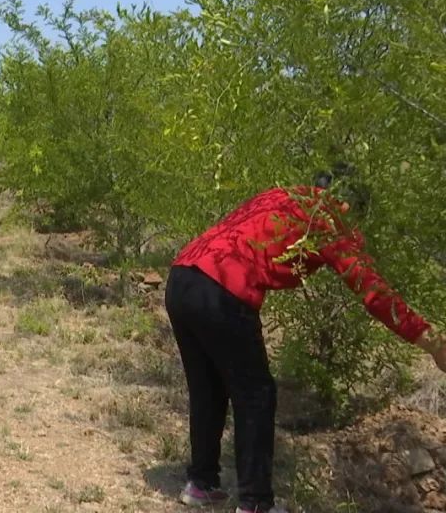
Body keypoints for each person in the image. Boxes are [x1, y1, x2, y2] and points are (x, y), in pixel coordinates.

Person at [166, 166, 446, 513]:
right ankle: (255, 504)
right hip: (223, 289)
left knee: (208, 387)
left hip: (182, 276)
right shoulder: (328, 221)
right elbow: (374, 294)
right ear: (347, 205)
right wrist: (432, 343)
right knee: (256, 395)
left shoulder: (283, 194)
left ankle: (201, 483)